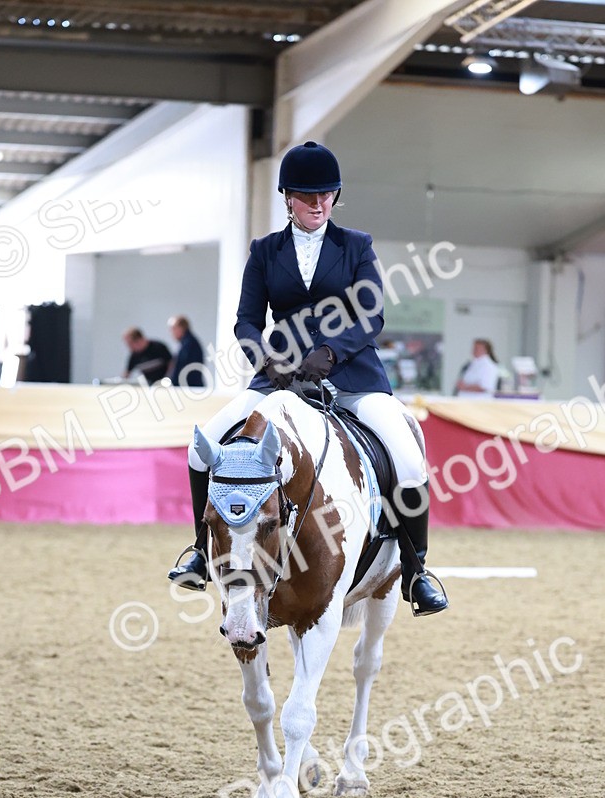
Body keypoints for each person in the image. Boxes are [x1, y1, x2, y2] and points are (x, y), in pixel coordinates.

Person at [167, 140, 447, 616]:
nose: (318, 204)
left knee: (408, 460)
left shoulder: (356, 246)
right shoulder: (265, 251)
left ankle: (416, 569)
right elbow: (246, 320)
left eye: (326, 195)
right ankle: (198, 549)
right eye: (306, 194)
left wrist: (331, 353)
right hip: (279, 379)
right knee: (202, 448)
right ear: (287, 197)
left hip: (353, 377)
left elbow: (372, 314)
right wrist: (266, 360)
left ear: (335, 197)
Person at [168, 315, 206, 388]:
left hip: (189, 388)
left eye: (173, 328)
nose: (171, 332)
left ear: (181, 328)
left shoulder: (189, 344)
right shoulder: (187, 343)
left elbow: (181, 367)